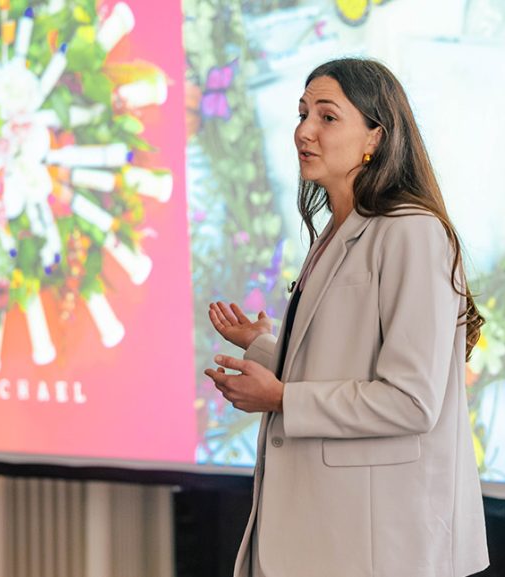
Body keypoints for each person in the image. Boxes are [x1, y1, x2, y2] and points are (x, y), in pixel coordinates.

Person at [205, 58, 490, 577]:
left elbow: (410, 400)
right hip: (315, 534)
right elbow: (343, 362)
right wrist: (265, 346)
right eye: (302, 113)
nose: (303, 131)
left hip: (373, 546)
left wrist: (281, 397)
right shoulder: (336, 232)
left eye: (327, 116)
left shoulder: (412, 232)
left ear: (376, 138)